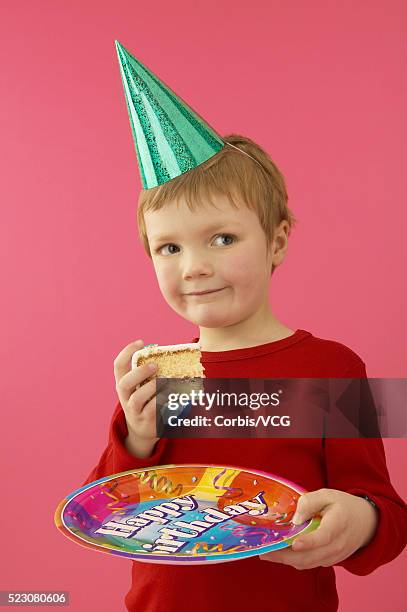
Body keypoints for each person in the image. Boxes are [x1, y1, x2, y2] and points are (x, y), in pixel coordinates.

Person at [82, 44, 407, 611]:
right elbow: (105, 514)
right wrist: (136, 437)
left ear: (277, 239)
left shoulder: (332, 369)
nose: (195, 266)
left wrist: (360, 521)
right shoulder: (157, 382)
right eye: (169, 247)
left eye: (223, 238)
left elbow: (388, 520)